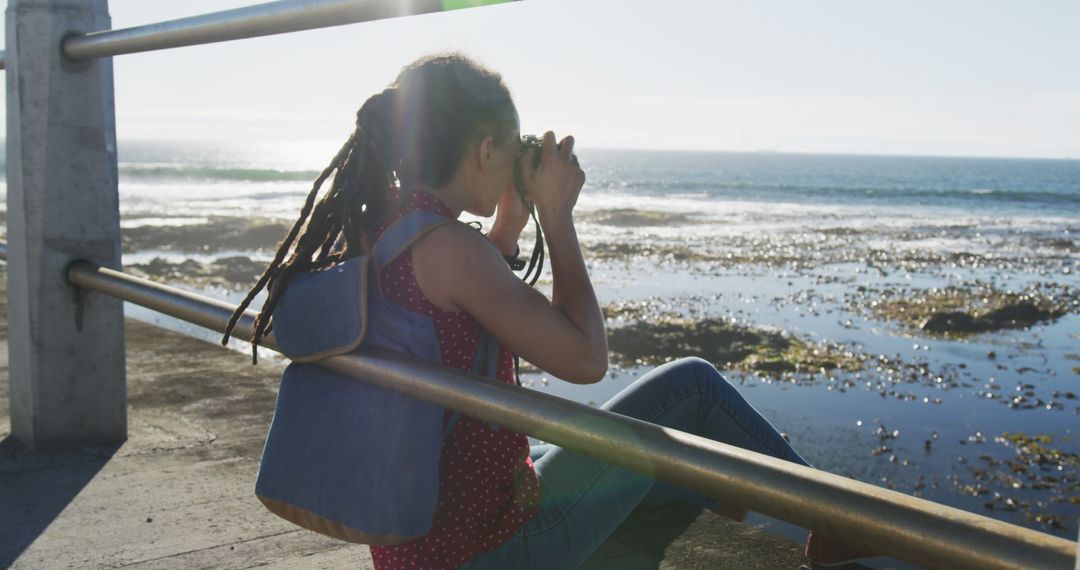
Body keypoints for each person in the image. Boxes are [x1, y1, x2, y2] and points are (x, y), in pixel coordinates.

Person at [225, 53, 874, 569]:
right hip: (495, 551)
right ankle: (836, 522)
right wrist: (558, 221)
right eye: (508, 152)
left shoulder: (386, 229)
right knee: (694, 390)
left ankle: (717, 503)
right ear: (484, 152)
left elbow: (455, 302)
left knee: (667, 464)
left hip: (421, 546)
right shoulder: (454, 249)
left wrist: (509, 219)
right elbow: (586, 359)